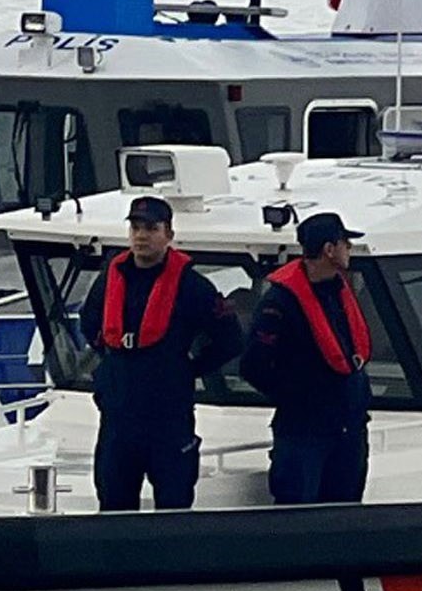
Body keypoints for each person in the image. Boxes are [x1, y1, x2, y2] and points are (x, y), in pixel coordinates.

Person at [77, 194, 240, 511]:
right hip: (118, 419)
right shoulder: (110, 279)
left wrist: (188, 369)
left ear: (169, 234)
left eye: (151, 228)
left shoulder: (193, 287)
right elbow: (89, 323)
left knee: (174, 507)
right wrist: (113, 362)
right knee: (113, 509)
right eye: (136, 227)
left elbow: (230, 339)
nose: (141, 235)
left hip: (168, 420)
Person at [241, 211, 374, 505]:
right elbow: (253, 366)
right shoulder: (279, 303)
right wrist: (299, 397)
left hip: (348, 430)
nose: (349, 249)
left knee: (345, 516)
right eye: (345, 243)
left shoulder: (339, 292)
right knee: (297, 513)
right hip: (303, 435)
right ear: (329, 249)